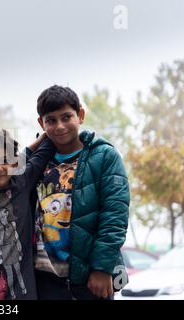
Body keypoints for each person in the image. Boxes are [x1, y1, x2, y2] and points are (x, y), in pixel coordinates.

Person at [33, 85, 130, 300]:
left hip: (89, 277)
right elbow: (8, 179)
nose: (59, 126)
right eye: (51, 120)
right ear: (41, 123)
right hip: (45, 278)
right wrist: (35, 146)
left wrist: (102, 268)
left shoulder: (104, 156)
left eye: (66, 117)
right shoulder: (37, 163)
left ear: (81, 115)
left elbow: (115, 215)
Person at [0, 129, 55, 300]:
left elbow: (46, 147)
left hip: (25, 290)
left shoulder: (22, 181)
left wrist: (48, 132)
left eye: (5, 160)